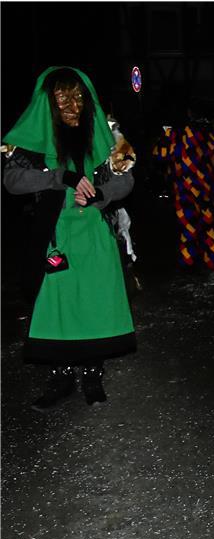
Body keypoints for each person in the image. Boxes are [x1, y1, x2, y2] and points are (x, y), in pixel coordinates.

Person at [2, 67, 136, 408]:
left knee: (93, 301)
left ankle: (93, 373)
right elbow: (13, 181)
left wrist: (99, 194)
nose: (72, 104)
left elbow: (127, 179)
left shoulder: (107, 133)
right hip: (53, 234)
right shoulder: (30, 135)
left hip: (94, 231)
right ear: (48, 100)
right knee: (56, 306)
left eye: (77, 96)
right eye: (62, 96)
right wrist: (58, 177)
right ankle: (60, 377)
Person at [152, 101, 214, 270]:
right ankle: (211, 258)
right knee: (207, 221)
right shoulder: (207, 132)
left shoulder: (174, 134)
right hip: (205, 185)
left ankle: (190, 262)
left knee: (188, 223)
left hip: (184, 186)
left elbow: (159, 155)